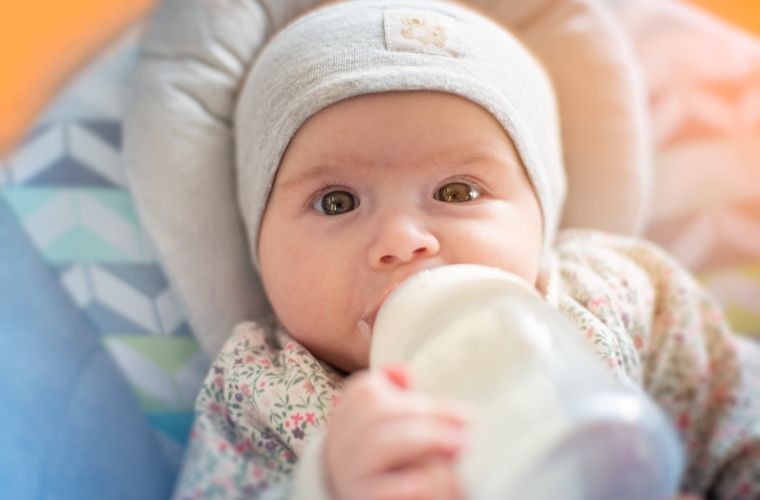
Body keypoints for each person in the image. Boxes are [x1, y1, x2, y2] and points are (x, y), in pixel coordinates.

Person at [172, 1, 760, 498]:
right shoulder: (262, 390)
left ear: (541, 217)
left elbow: (738, 413)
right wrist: (326, 483)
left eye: (457, 191)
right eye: (336, 202)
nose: (404, 239)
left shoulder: (619, 291)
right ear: (259, 246)